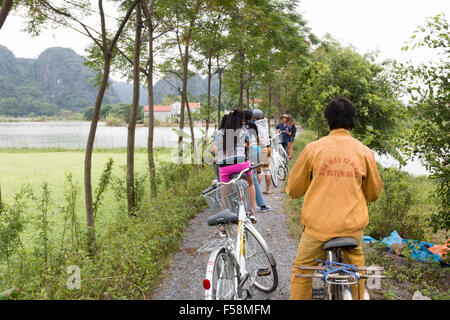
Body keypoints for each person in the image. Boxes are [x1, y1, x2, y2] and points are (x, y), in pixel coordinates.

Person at [286, 97, 383, 300]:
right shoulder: (364, 152)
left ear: (327, 120)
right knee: (357, 274)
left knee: (302, 273)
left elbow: (294, 190)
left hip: (317, 229)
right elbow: (373, 194)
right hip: (351, 229)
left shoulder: (313, 149)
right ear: (351, 122)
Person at [213, 110, 257, 223]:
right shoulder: (243, 130)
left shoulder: (220, 133)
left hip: (225, 167)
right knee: (251, 183)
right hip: (242, 165)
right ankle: (252, 212)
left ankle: (224, 225)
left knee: (225, 196)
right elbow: (249, 144)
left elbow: (214, 150)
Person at [243, 110, 271, 213]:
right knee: (264, 171)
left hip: (253, 151)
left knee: (256, 174)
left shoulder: (247, 126)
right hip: (265, 147)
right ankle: (266, 192)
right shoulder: (264, 123)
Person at [253, 108, 272, 195]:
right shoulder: (266, 123)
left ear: (254, 117)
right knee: (267, 170)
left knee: (258, 171)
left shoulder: (255, 125)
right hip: (268, 148)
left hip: (261, 149)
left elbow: (257, 138)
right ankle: (268, 189)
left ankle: (257, 191)